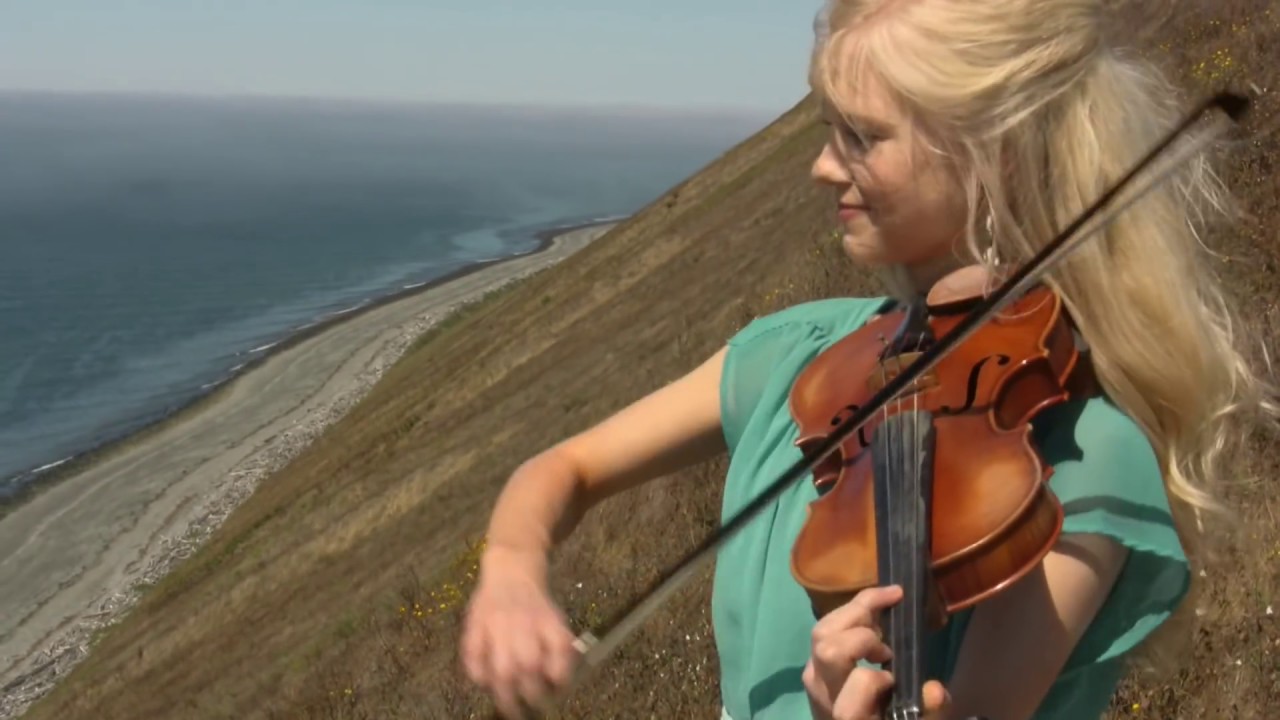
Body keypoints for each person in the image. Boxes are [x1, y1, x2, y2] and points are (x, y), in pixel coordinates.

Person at [460, 0, 1276, 718]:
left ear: (998, 155)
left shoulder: (1077, 461)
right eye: (828, 131)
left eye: (863, 137)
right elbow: (564, 470)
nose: (823, 167)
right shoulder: (804, 359)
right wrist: (511, 564)